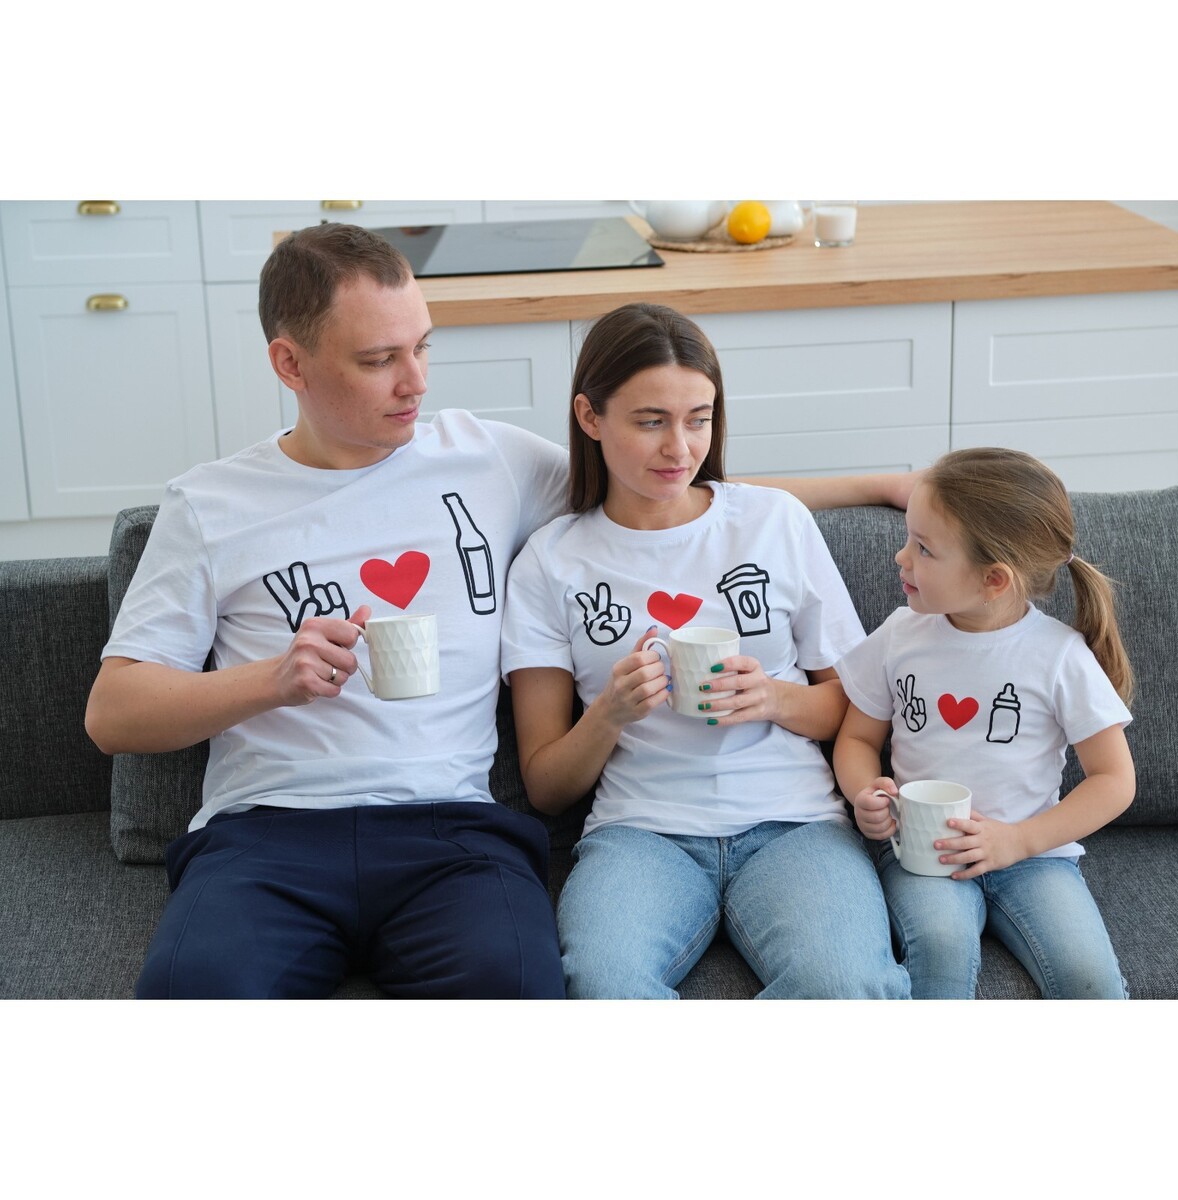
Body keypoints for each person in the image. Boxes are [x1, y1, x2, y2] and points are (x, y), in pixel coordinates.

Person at [85, 224, 913, 1000]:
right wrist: (271, 680)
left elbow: (669, 485)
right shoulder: (211, 505)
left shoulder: (485, 459)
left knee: (519, 992)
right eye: (379, 360)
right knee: (191, 996)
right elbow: (113, 713)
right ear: (289, 364)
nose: (416, 382)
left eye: (422, 347)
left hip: (451, 836)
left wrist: (875, 484)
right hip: (268, 836)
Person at [500, 302, 910, 999]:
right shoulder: (550, 561)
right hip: (640, 832)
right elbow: (545, 786)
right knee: (603, 987)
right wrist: (609, 713)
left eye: (699, 419)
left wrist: (773, 698)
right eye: (650, 421)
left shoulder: (774, 521)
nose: (680, 448)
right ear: (590, 417)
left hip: (795, 822)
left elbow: (854, 707)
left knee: (848, 987)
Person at [833, 447, 1135, 999]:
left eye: (923, 548)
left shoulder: (1059, 656)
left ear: (994, 579)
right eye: (908, 539)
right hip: (926, 852)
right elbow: (856, 737)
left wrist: (1018, 841)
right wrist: (863, 792)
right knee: (940, 950)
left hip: (1034, 858)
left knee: (1089, 979)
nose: (901, 557)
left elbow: (1115, 780)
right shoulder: (900, 634)